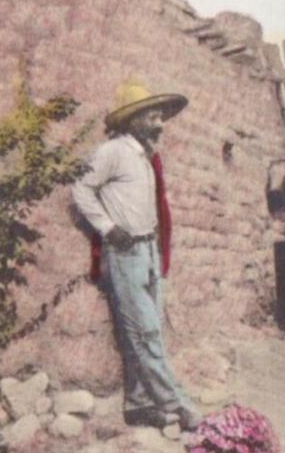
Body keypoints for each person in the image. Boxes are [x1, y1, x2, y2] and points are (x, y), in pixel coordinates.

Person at [73, 79, 201, 431]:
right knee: (143, 331)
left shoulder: (144, 156)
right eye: (153, 117)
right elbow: (81, 189)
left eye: (161, 117)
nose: (160, 124)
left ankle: (140, 404)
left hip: (147, 250)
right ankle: (177, 404)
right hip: (124, 251)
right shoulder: (112, 152)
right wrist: (107, 227)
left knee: (148, 329)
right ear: (133, 120)